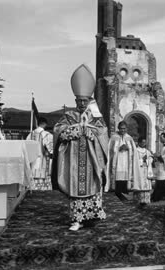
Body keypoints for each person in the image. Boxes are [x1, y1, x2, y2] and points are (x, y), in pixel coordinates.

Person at [51, 64, 109, 231]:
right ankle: (76, 219)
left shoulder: (95, 116)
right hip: (74, 161)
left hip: (91, 161)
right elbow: (58, 131)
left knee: (92, 187)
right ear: (75, 100)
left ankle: (91, 217)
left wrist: (93, 134)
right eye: (79, 100)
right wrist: (73, 132)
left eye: (85, 100)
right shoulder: (69, 116)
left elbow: (102, 132)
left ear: (89, 100)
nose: (82, 103)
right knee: (76, 189)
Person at [106, 121, 142, 201]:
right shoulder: (114, 137)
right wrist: (118, 148)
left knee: (125, 177)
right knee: (118, 177)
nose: (122, 130)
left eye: (124, 129)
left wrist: (128, 148)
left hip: (126, 162)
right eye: (121, 129)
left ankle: (125, 191)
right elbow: (109, 150)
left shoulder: (129, 138)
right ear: (118, 128)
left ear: (126, 129)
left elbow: (134, 150)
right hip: (117, 162)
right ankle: (117, 191)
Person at [26, 117, 54, 190]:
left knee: (32, 172)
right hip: (42, 158)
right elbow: (51, 148)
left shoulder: (30, 134)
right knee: (42, 172)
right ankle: (43, 187)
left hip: (31, 159)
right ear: (45, 124)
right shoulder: (46, 134)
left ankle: (31, 187)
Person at [151, 133, 165, 202]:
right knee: (159, 181)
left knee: (162, 181)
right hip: (160, 167)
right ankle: (157, 196)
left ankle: (157, 197)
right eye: (160, 138)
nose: (160, 139)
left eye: (161, 138)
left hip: (164, 167)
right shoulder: (163, 147)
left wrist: (158, 156)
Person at [134, 137, 153, 207]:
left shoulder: (147, 151)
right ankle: (139, 200)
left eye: (145, 142)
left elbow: (151, 159)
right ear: (139, 143)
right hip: (139, 170)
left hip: (146, 169)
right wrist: (142, 160)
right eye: (142, 142)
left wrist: (148, 160)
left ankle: (145, 200)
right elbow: (134, 161)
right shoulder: (136, 151)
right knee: (140, 184)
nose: (144, 144)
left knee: (146, 185)